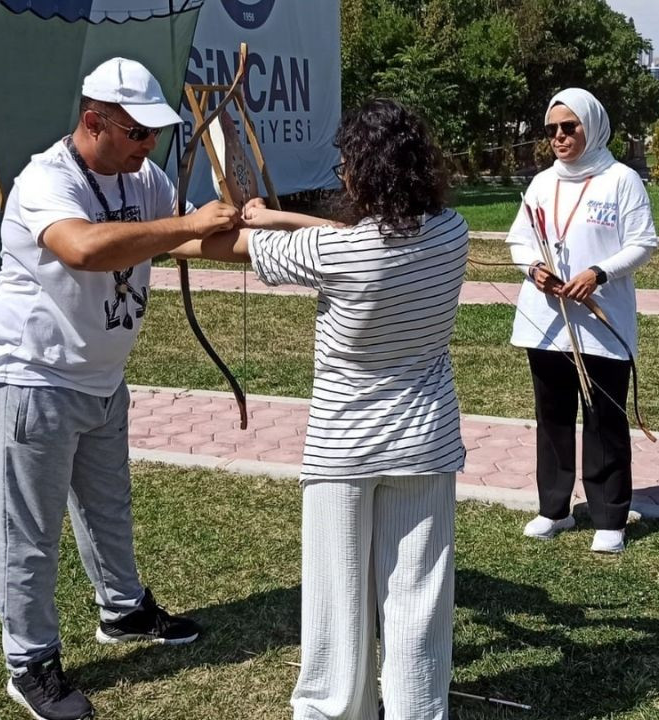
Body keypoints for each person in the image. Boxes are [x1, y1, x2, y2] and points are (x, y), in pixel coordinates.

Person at [173, 98, 468, 720]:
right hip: (425, 444)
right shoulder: (451, 233)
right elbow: (366, 236)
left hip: (344, 451)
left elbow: (217, 248)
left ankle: (336, 710)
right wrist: (278, 215)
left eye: (347, 163)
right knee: (417, 598)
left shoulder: (334, 256)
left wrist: (184, 226)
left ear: (366, 170)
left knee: (339, 601)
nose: (342, 174)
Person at [0, 57, 239, 720]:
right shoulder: (45, 180)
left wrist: (267, 231)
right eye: (138, 133)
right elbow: (85, 248)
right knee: (30, 531)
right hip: (34, 377)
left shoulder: (141, 177)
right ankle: (29, 662)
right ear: (95, 122)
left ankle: (122, 611)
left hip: (99, 377)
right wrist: (188, 225)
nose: (151, 146)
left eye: (155, 134)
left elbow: (194, 242)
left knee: (108, 507)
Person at [505, 88, 659, 554]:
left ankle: (610, 515)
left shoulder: (621, 179)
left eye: (568, 127)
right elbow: (520, 239)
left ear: (590, 127)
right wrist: (534, 269)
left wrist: (598, 273)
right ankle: (555, 509)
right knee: (552, 416)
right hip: (546, 322)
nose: (559, 137)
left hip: (600, 319)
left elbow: (643, 242)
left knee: (602, 418)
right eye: (551, 129)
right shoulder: (541, 183)